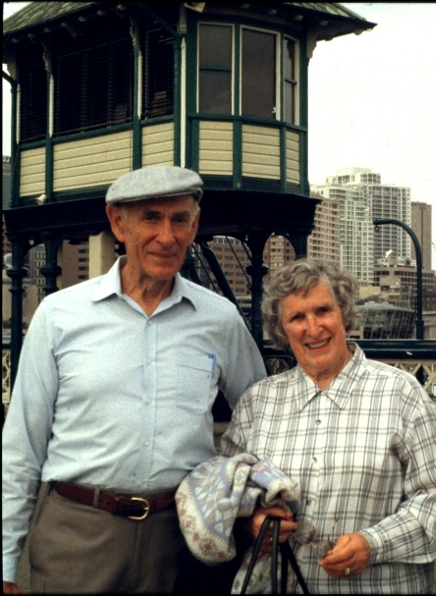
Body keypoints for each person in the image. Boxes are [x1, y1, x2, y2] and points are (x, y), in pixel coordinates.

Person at [2, 166, 267, 592]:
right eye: (151, 218)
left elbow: (263, 418)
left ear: (194, 226)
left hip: (181, 541)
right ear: (117, 222)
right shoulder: (59, 316)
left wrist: (257, 499)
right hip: (77, 537)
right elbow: (21, 446)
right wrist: (5, 561)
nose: (167, 236)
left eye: (180, 219)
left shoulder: (220, 319)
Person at [223, 259, 436, 592]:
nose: (313, 327)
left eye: (323, 311)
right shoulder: (256, 402)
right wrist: (250, 524)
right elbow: (227, 491)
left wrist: (373, 543)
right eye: (297, 317)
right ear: (282, 329)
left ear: (344, 314)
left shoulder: (402, 393)